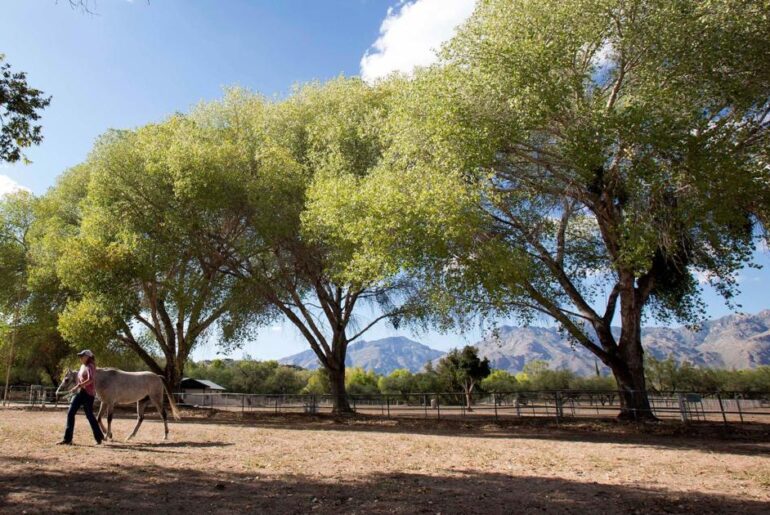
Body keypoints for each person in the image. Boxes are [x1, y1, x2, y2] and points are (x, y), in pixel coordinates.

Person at [57, 349, 104, 445]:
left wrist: (78, 386)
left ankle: (99, 437)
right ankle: (68, 439)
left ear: (88, 357)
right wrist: (76, 387)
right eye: (80, 356)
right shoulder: (82, 366)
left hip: (88, 394)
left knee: (89, 415)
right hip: (80, 392)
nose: (80, 357)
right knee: (71, 413)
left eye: (82, 356)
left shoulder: (90, 366)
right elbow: (80, 379)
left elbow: (91, 379)